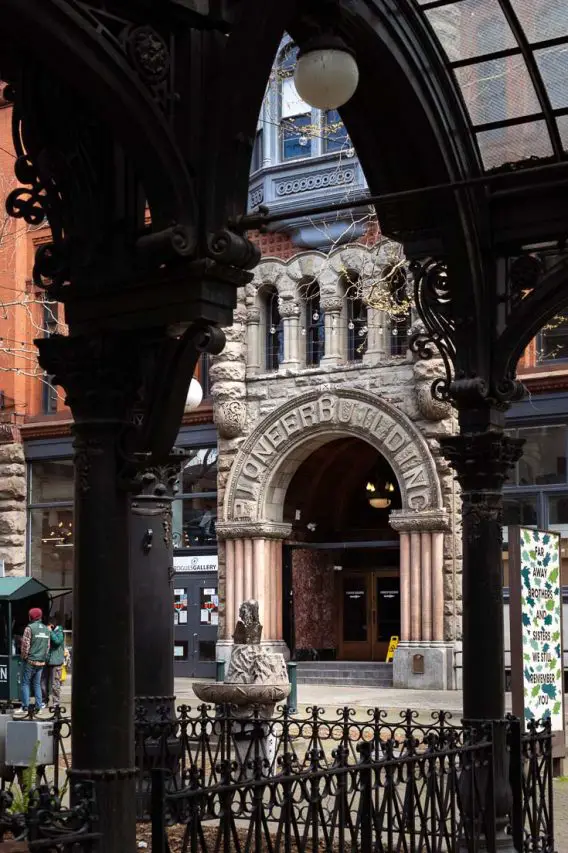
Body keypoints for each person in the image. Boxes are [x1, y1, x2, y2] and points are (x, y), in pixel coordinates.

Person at [20, 608, 50, 713]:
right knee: (37, 684)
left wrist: (24, 657)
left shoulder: (29, 628)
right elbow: (47, 647)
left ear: (31, 616)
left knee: (25, 683)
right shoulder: (46, 629)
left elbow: (25, 645)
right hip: (41, 661)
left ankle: (25, 707)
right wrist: (43, 658)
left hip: (30, 661)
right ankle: (38, 707)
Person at [45, 617, 65, 707]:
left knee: (55, 684)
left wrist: (50, 632)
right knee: (44, 683)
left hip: (56, 662)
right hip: (48, 660)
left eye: (49, 626)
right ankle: (44, 701)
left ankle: (56, 704)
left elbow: (57, 641)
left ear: (52, 626)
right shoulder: (52, 632)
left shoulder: (59, 632)